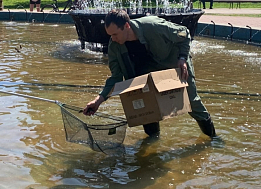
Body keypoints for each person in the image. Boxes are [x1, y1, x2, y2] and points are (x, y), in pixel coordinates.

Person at [83, 9, 217, 139]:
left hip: (176, 63)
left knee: (192, 102)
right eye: (110, 35)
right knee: (144, 107)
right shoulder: (115, 46)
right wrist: (98, 101)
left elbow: (184, 33)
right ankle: (153, 142)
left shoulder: (153, 26)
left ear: (127, 26)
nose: (112, 39)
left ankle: (213, 138)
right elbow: (116, 77)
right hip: (147, 71)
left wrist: (182, 58)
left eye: (115, 34)